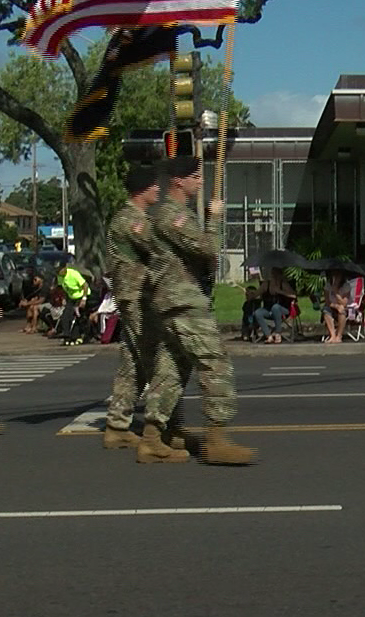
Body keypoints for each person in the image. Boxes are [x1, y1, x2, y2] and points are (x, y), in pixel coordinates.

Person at [141, 155, 257, 464]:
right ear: (178, 180)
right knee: (215, 363)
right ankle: (216, 439)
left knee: (171, 370)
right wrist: (215, 218)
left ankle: (153, 437)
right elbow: (207, 248)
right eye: (195, 175)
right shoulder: (171, 215)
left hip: (174, 301)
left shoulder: (174, 214)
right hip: (182, 301)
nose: (201, 180)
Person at [100, 165, 188, 462]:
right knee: (160, 362)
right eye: (154, 186)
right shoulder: (131, 221)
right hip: (137, 298)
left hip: (136, 296)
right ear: (141, 190)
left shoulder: (134, 218)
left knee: (132, 364)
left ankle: (117, 425)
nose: (158, 191)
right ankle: (163, 427)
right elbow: (160, 246)